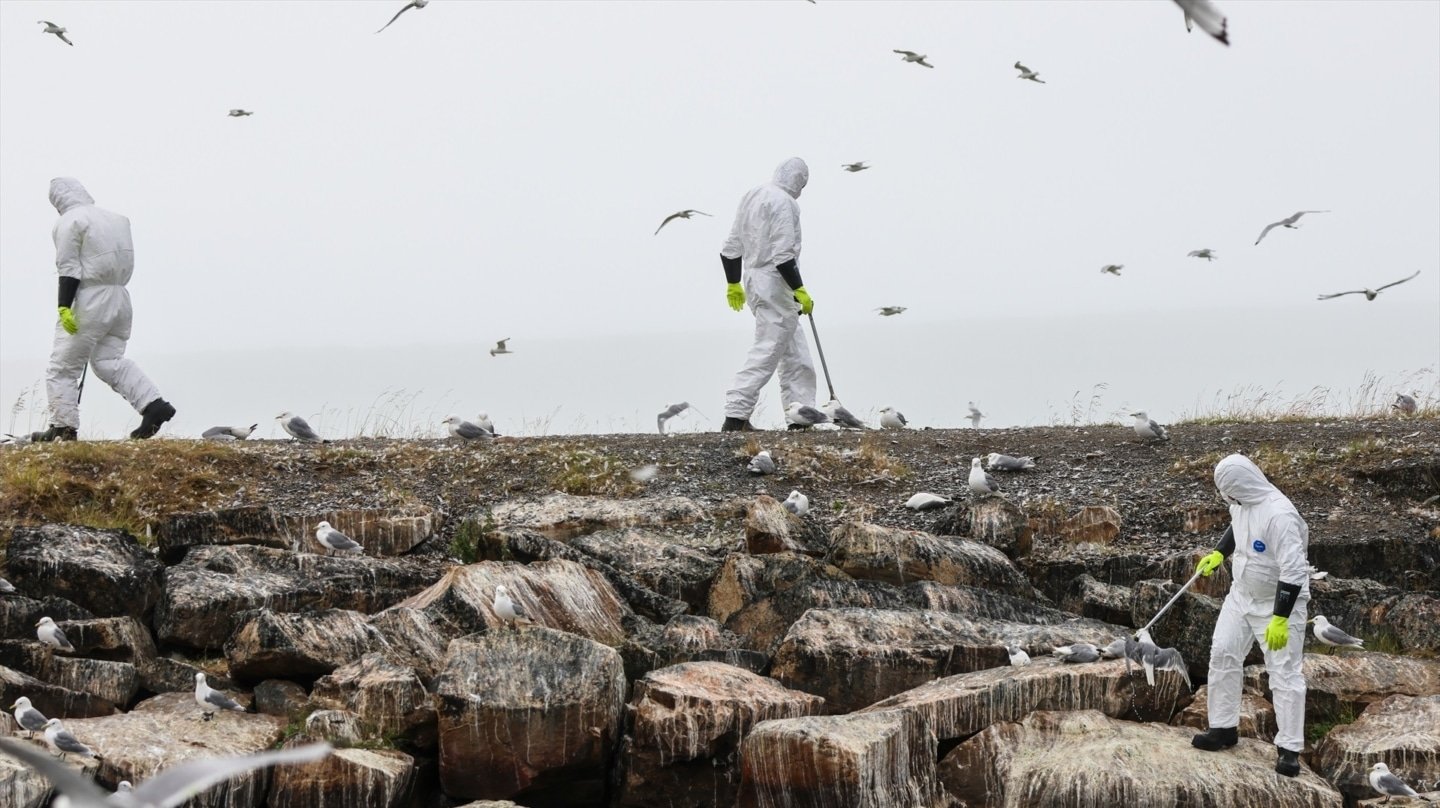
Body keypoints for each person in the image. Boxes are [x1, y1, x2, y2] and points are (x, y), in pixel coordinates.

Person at [1191, 453, 1309, 777]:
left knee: (1284, 672)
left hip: (1278, 602)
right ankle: (1223, 728)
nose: (1226, 497)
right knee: (1223, 652)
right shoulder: (1241, 502)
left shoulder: (1279, 515)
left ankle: (1289, 749)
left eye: (1228, 490)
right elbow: (1235, 526)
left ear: (1241, 484)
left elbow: (1295, 569)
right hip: (1241, 594)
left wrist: (1281, 617)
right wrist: (1218, 552)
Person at [31, 178, 174, 442]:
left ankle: (62, 428)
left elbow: (69, 268)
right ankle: (154, 405)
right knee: (109, 361)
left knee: (62, 367)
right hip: (120, 298)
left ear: (58, 201)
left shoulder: (70, 221)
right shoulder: (118, 219)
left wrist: (64, 306)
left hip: (91, 300)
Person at [718, 157, 818, 432]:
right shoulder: (786, 203)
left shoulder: (753, 195)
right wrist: (799, 288)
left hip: (755, 280)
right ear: (800, 180)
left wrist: (733, 282)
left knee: (796, 354)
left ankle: (802, 417)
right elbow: (783, 255)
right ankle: (736, 416)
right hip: (775, 283)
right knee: (768, 348)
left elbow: (731, 246)